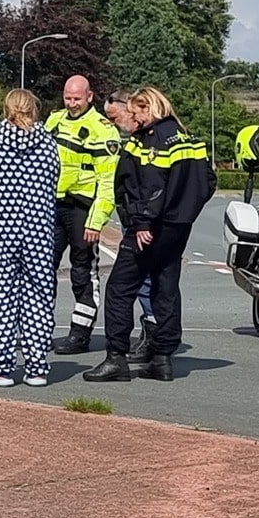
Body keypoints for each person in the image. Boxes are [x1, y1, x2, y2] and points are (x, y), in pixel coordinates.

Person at [87, 87, 213, 382]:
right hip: (177, 228)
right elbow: (208, 182)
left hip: (148, 229)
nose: (132, 117)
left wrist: (143, 223)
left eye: (135, 111)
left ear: (147, 108)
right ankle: (162, 359)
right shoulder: (187, 137)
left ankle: (116, 358)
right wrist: (183, 214)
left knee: (119, 289)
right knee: (165, 288)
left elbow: (152, 186)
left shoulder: (153, 141)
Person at [0, 88, 61, 387]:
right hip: (37, 229)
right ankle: (36, 367)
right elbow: (55, 177)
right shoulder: (47, 142)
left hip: (1, 230)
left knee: (1, 296)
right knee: (39, 295)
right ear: (33, 109)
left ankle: (2, 368)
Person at [45, 75, 120, 354]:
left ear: (90, 96)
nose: (72, 103)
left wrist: (97, 220)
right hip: (52, 206)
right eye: (68, 98)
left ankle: (80, 334)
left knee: (83, 272)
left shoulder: (102, 130)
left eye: (77, 98)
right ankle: (39, 329)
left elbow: (108, 182)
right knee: (41, 269)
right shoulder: (53, 122)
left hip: (82, 210)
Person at [105, 89, 157, 360]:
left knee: (138, 281)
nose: (114, 124)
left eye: (115, 118)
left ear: (129, 108)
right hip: (136, 218)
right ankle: (153, 337)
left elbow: (147, 184)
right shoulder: (135, 139)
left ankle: (150, 336)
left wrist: (142, 219)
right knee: (147, 280)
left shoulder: (147, 141)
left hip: (141, 221)